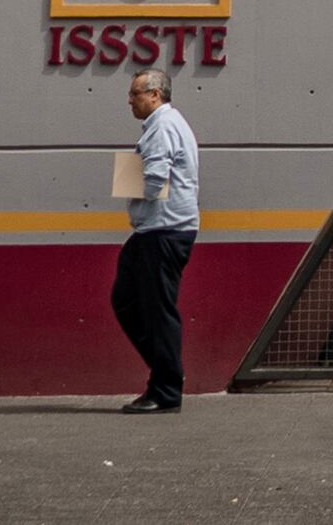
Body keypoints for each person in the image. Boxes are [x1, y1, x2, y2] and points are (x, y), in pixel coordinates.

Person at [114, 67, 200, 413]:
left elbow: (153, 181)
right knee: (127, 300)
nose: (129, 101)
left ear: (155, 95)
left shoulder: (162, 127)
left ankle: (166, 390)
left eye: (135, 94)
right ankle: (167, 371)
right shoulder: (169, 123)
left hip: (163, 230)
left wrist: (132, 187)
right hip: (157, 230)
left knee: (157, 311)